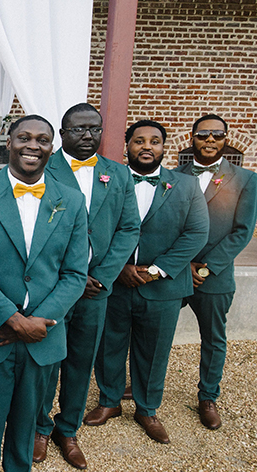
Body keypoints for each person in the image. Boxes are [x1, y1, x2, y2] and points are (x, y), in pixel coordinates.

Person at [0, 115, 88, 472]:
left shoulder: (72, 202)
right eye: (24, 137)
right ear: (9, 142)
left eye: (43, 140)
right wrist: (12, 319)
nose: (33, 145)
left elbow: (75, 274)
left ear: (52, 146)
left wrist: (37, 322)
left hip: (42, 337)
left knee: (26, 425)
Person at [86, 120, 209, 444]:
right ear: (127, 146)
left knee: (154, 350)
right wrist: (120, 267)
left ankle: (147, 408)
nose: (147, 146)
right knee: (109, 344)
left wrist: (156, 270)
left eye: (154, 141)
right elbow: (94, 227)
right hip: (115, 282)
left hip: (163, 287)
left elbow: (196, 233)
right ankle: (109, 401)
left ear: (163, 147)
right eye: (139, 141)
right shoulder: (108, 181)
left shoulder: (185, 185)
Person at [34, 104, 140, 469]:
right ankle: (40, 428)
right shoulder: (44, 168)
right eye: (77, 129)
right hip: (55, 287)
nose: (87, 135)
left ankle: (68, 429)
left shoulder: (119, 175)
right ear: (62, 134)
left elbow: (129, 229)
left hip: (97, 288)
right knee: (49, 361)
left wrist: (105, 275)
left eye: (94, 128)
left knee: (80, 361)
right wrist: (68, 278)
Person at [176, 114, 257, 430]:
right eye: (203, 134)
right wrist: (181, 264)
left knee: (213, 337)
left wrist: (207, 268)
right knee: (154, 331)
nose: (210, 140)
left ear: (225, 139)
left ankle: (208, 396)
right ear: (192, 137)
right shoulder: (174, 175)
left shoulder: (246, 179)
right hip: (175, 271)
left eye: (217, 135)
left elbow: (242, 231)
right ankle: (144, 385)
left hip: (214, 275)